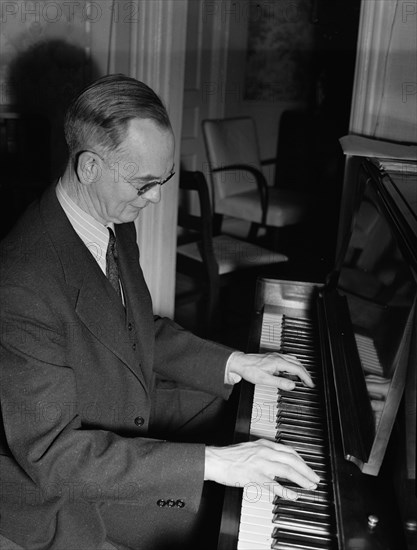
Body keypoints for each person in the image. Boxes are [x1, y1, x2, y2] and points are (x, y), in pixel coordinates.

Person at [0, 74, 320, 550]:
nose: (156, 199)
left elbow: (134, 325)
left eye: (163, 180)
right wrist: (216, 463)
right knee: (226, 520)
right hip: (70, 488)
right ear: (90, 167)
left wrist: (237, 364)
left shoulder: (107, 216)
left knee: (243, 410)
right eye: (146, 183)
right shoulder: (21, 281)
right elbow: (54, 457)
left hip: (125, 408)